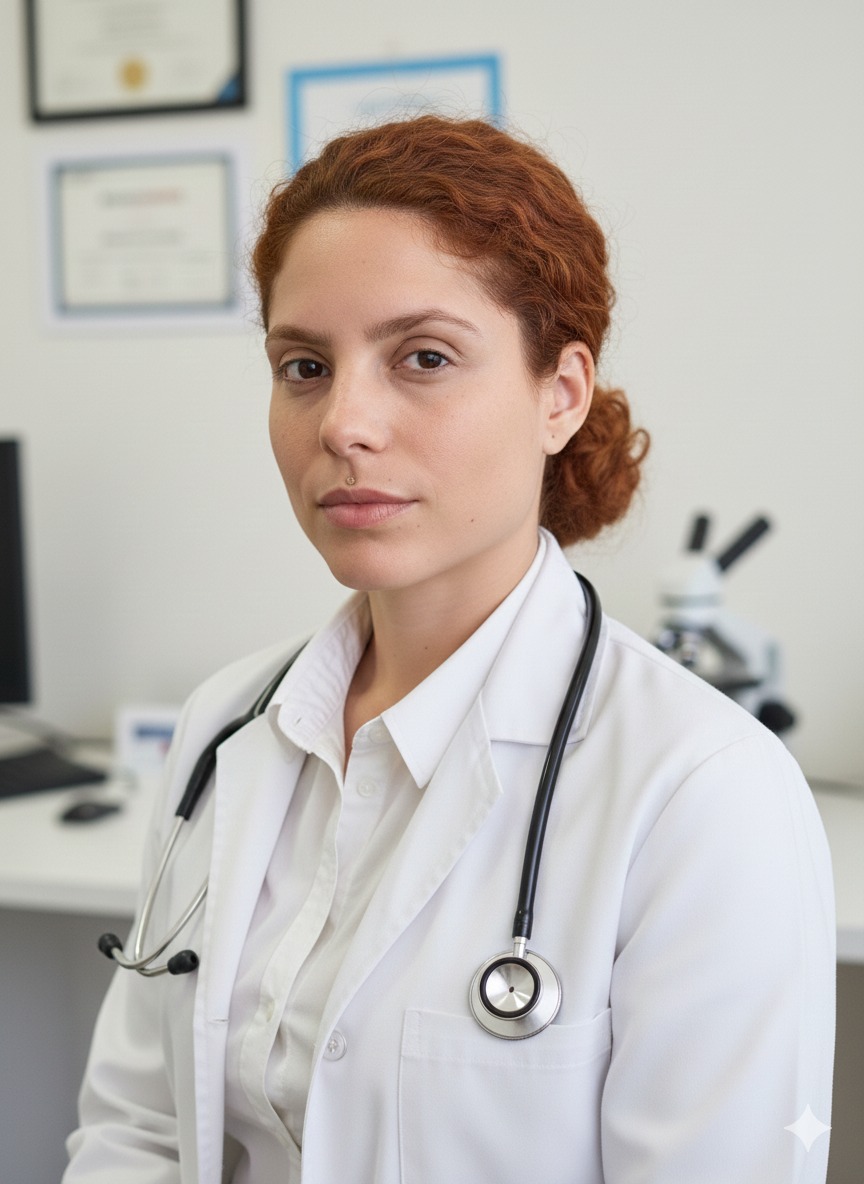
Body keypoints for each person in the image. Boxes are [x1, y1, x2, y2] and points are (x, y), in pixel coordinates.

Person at [64, 115, 834, 1184]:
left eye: (423, 356)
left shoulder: (702, 790)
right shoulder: (224, 731)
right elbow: (134, 1129)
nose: (345, 421)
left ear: (560, 393)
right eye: (304, 365)